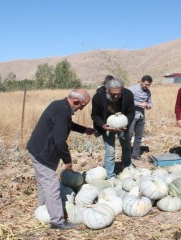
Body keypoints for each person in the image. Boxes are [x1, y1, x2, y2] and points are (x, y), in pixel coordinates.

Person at [27, 89, 94, 230]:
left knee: (43, 181)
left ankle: (43, 208)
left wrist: (84, 129)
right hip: (43, 153)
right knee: (52, 186)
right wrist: (68, 161)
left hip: (37, 149)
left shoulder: (59, 105)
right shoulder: (63, 112)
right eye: (82, 106)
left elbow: (66, 124)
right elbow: (59, 141)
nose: (81, 109)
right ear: (76, 101)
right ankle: (57, 222)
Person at [91, 78, 135, 179]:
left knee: (126, 146)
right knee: (110, 150)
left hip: (123, 125)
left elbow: (131, 111)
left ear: (122, 90)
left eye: (118, 94)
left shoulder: (127, 94)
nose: (116, 96)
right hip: (107, 126)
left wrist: (126, 125)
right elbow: (95, 115)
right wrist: (103, 125)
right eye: (113, 94)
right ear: (107, 90)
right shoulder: (98, 97)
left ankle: (127, 167)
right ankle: (110, 174)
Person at [128, 75, 153, 160]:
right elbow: (127, 101)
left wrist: (149, 106)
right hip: (131, 116)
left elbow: (150, 102)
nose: (147, 86)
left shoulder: (148, 92)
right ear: (141, 82)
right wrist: (140, 104)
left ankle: (136, 154)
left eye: (148, 85)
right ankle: (126, 154)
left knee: (139, 136)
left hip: (141, 116)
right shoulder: (132, 89)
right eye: (146, 84)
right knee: (129, 135)